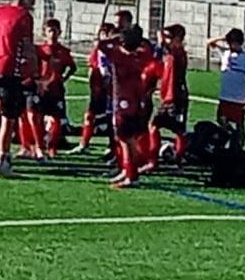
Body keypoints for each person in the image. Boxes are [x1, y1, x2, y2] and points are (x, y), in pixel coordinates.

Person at [0, 0, 38, 179]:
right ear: (25, 0)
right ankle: (1, 157)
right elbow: (27, 45)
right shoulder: (24, 16)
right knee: (9, 116)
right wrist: (33, 70)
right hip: (8, 68)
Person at [99, 24, 156, 188]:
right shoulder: (142, 56)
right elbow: (149, 49)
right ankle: (128, 170)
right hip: (138, 100)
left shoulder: (118, 56)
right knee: (127, 139)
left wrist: (116, 37)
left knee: (125, 139)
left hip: (123, 101)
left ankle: (131, 174)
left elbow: (101, 45)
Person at [33, 18, 77, 158]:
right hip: (42, 89)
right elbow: (33, 66)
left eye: (55, 31)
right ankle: (39, 146)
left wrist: (64, 78)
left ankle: (52, 147)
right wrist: (37, 80)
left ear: (60, 32)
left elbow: (72, 67)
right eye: (50, 31)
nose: (52, 34)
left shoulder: (63, 51)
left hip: (57, 89)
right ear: (44, 33)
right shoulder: (40, 50)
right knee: (38, 117)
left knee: (57, 119)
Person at [207, 28, 245, 146]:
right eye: (230, 43)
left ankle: (239, 145)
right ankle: (230, 136)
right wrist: (224, 37)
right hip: (225, 95)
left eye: (233, 43)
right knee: (221, 119)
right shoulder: (226, 53)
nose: (231, 46)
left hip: (238, 97)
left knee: (239, 123)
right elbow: (209, 42)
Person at [71, 22, 116, 154]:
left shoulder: (114, 51)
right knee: (90, 116)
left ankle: (112, 146)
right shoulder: (97, 51)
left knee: (111, 118)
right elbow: (92, 68)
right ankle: (83, 143)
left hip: (111, 90)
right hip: (98, 89)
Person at [150, 24, 190, 167]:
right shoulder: (169, 54)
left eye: (170, 37)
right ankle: (154, 158)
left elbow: (167, 50)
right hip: (167, 97)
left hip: (177, 97)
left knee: (178, 130)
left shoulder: (178, 53)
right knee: (154, 126)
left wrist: (161, 41)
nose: (167, 40)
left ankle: (178, 158)